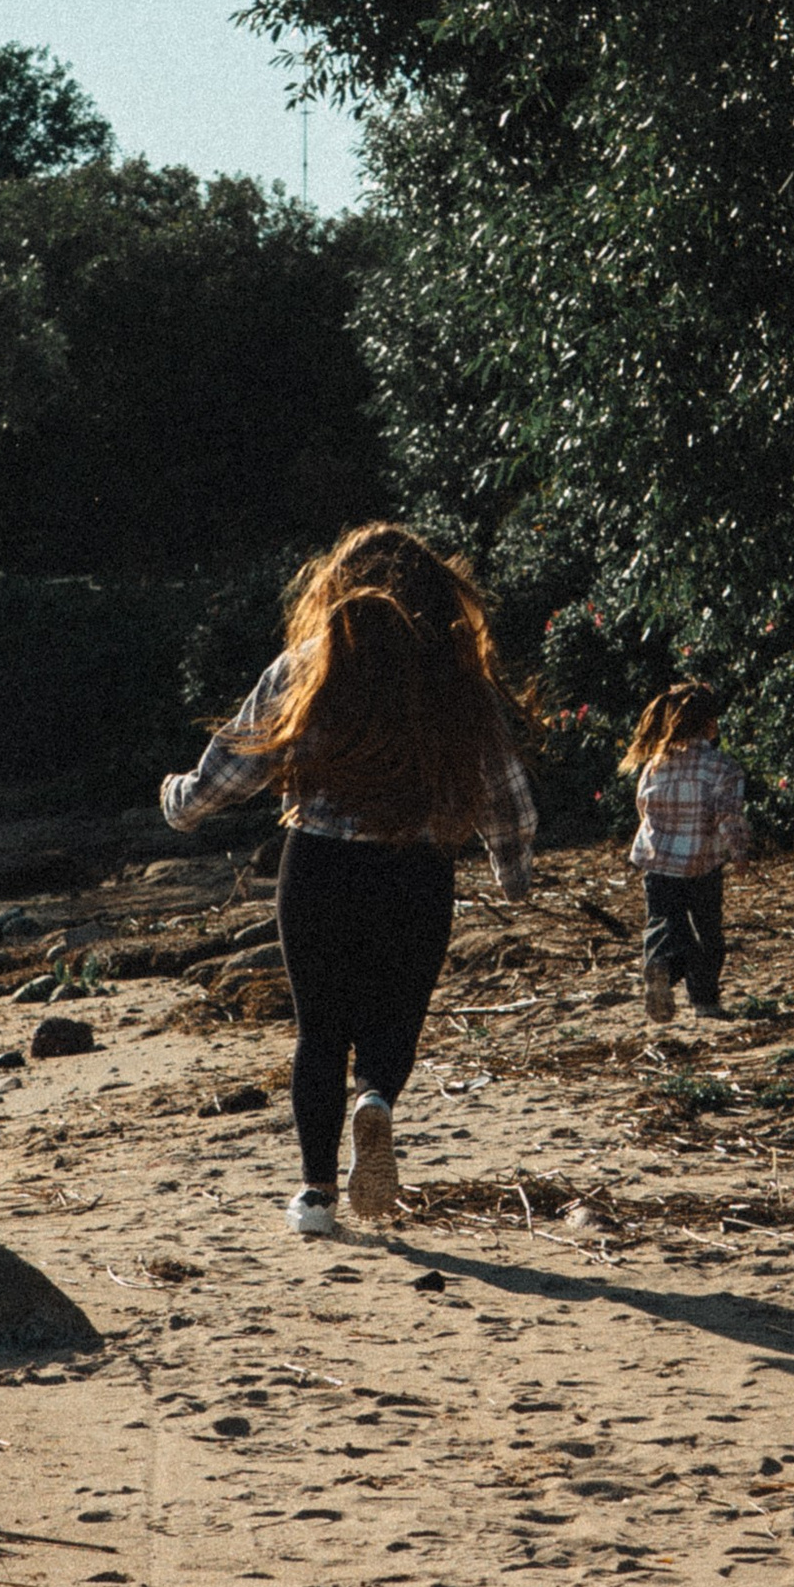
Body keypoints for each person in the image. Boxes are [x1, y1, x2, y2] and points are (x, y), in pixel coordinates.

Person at [160, 522, 536, 1237]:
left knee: (320, 1031)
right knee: (395, 1018)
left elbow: (232, 769)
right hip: (417, 872)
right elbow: (507, 796)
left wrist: (179, 802)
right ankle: (377, 1102)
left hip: (319, 868)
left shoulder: (306, 665)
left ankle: (315, 1196)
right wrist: (511, 873)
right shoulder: (458, 679)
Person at [621, 682, 753, 1022]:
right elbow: (727, 816)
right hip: (702, 863)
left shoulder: (654, 765)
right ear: (711, 724)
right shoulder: (723, 767)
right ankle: (705, 1001)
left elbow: (643, 808)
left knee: (662, 923)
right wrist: (739, 853)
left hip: (659, 861)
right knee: (708, 932)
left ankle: (659, 966)